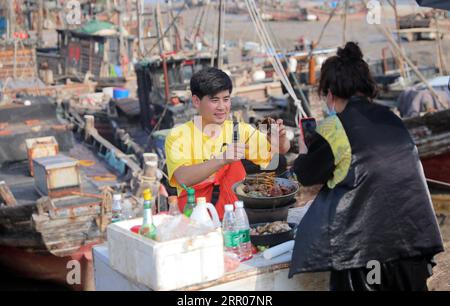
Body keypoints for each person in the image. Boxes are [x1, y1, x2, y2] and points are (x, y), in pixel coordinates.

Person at [289, 42, 444, 291]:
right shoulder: (391, 118)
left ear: (329, 93)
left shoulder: (333, 127)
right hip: (412, 241)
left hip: (364, 251)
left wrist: (304, 146)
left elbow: (305, 175)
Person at [165, 67, 290, 218]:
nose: (222, 107)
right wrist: (222, 159)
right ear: (196, 101)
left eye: (226, 99)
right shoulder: (179, 135)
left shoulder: (239, 131)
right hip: (197, 220)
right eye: (214, 100)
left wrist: (280, 139)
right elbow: (182, 177)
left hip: (235, 217)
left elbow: (279, 152)